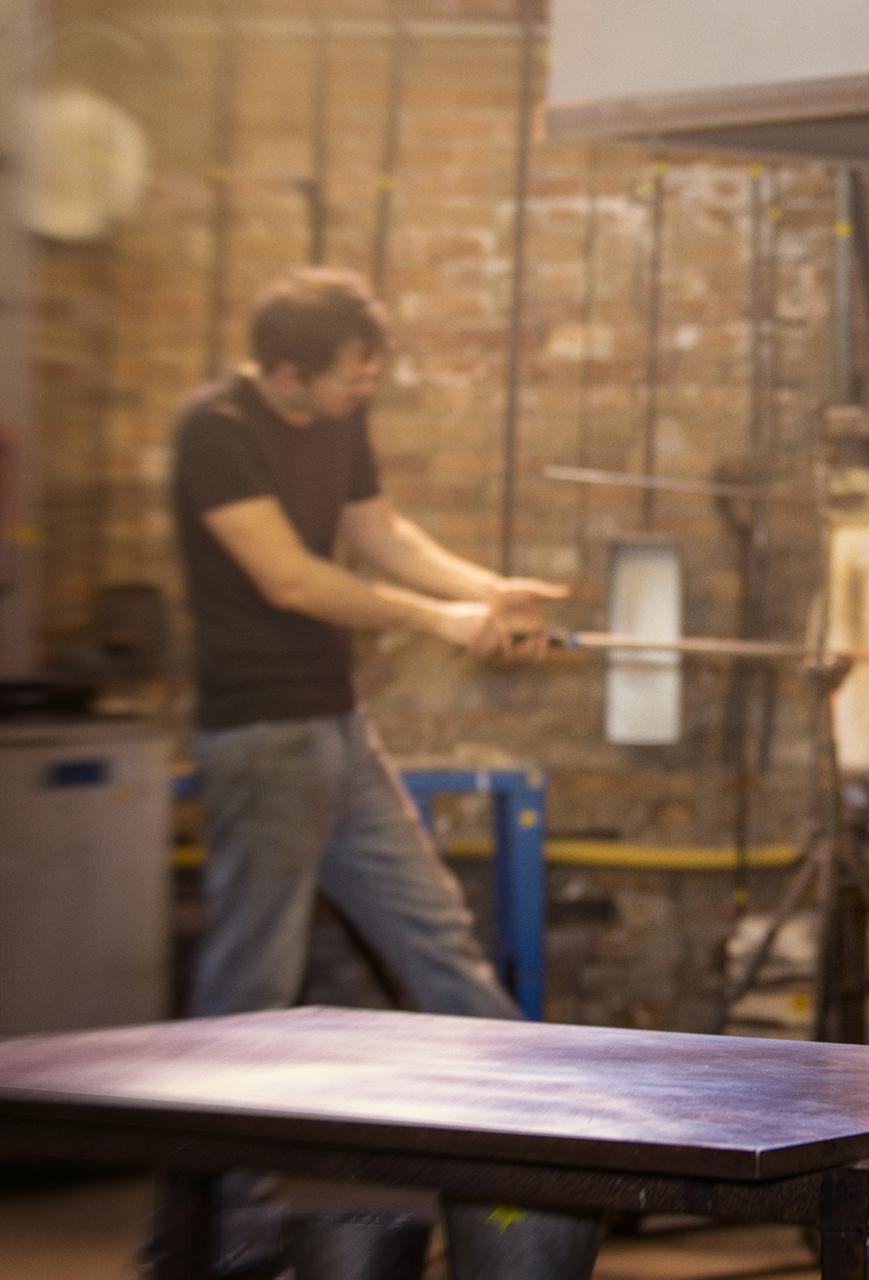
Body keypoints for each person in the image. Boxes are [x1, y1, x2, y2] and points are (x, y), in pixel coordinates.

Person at [169, 266, 594, 1272]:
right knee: (251, 984)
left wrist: (489, 592)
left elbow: (378, 532)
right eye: (350, 376)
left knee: (437, 935)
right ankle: (216, 1235)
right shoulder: (216, 429)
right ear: (285, 372)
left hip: (336, 727)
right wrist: (443, 622)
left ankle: (518, 1182)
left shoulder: (334, 413)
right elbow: (290, 574)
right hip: (260, 738)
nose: (366, 387)